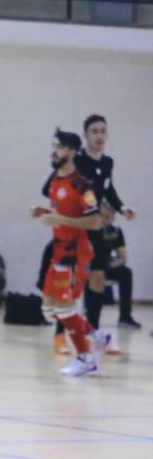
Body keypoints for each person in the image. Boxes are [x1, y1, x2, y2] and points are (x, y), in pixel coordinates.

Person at [35, 129, 111, 377]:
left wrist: (61, 219)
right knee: (48, 312)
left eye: (58, 146)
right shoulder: (55, 181)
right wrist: (45, 213)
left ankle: (85, 358)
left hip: (76, 256)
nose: (53, 150)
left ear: (70, 151)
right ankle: (95, 335)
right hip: (58, 254)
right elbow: (62, 213)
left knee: (65, 310)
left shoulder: (83, 185)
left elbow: (95, 222)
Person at [75, 114, 135, 331]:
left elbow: (108, 188)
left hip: (95, 228)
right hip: (77, 227)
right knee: (75, 280)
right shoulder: (78, 161)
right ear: (85, 135)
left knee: (98, 278)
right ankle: (62, 333)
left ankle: (92, 329)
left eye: (103, 131)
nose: (100, 136)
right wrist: (89, 209)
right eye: (94, 131)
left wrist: (122, 207)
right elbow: (78, 189)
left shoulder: (107, 163)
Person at [98, 203, 139, 330]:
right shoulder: (88, 229)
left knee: (126, 273)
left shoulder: (116, 232)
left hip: (107, 264)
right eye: (101, 216)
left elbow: (122, 258)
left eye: (108, 217)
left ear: (113, 219)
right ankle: (90, 317)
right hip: (88, 266)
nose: (104, 220)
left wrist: (109, 265)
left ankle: (125, 317)